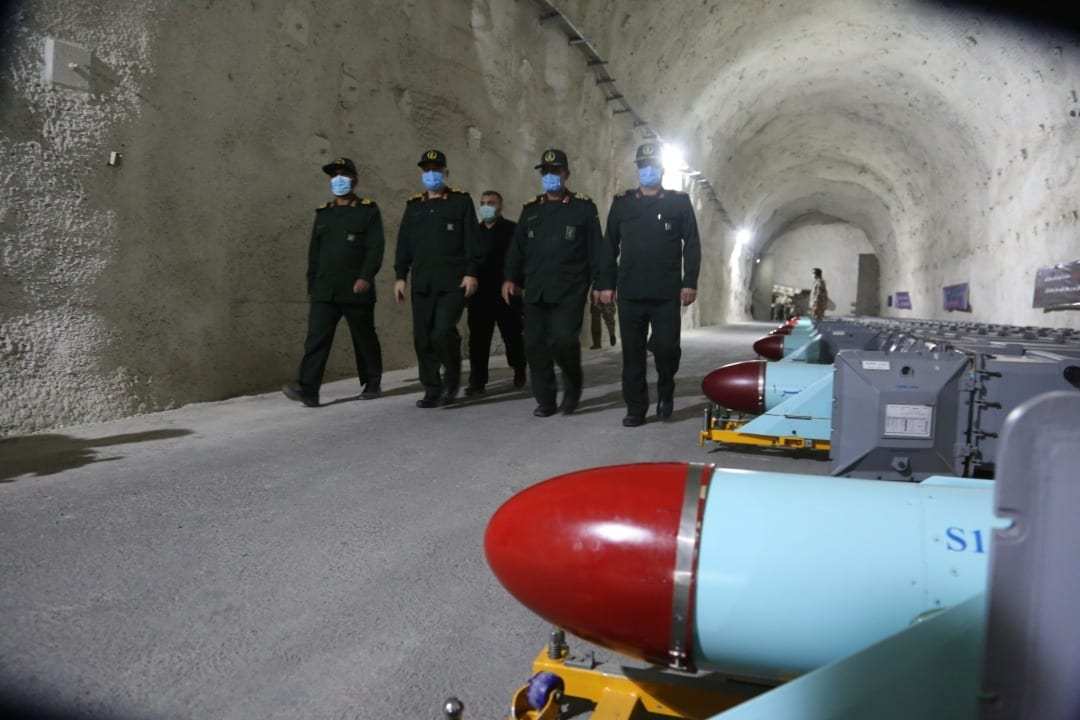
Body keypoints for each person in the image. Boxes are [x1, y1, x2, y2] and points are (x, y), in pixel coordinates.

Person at [503, 148, 615, 417]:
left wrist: (601, 284)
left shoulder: (583, 208)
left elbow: (596, 249)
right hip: (536, 289)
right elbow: (517, 249)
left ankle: (572, 388)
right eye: (545, 171)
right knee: (534, 345)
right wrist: (510, 278)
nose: (550, 175)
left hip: (570, 289)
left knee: (564, 341)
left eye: (555, 171)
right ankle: (545, 399)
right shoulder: (531, 210)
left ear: (566, 174)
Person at [605, 142, 701, 427]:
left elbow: (692, 244)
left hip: (665, 292)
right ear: (638, 169)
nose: (648, 170)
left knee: (667, 349)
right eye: (643, 166)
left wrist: (689, 281)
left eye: (653, 166)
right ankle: (635, 408)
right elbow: (609, 245)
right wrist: (606, 283)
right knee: (632, 354)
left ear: (662, 169)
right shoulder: (622, 203)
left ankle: (666, 389)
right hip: (631, 291)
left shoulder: (678, 203)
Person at [283, 157, 384, 407]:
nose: (338, 179)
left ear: (354, 179)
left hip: (355, 288)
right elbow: (314, 252)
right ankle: (309, 389)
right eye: (334, 175)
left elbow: (375, 248)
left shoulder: (368, 211)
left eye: (343, 174)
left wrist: (365, 277)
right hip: (325, 289)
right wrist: (312, 284)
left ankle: (372, 382)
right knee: (316, 339)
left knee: (363, 337)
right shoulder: (324, 213)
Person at [394, 149, 482, 408]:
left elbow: (472, 240)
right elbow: (404, 244)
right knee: (422, 337)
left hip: (453, 282)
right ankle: (432, 388)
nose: (431, 174)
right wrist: (400, 276)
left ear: (446, 172)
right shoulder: (414, 206)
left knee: (442, 332)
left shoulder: (460, 202)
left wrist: (471, 272)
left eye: (436, 169)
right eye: (426, 170)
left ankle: (451, 381)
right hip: (423, 283)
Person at [465, 190, 527, 396]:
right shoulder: (473, 232)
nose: (486, 207)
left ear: (500, 206)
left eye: (491, 203)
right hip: (479, 294)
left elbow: (521, 259)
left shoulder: (512, 230)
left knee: (512, 335)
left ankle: (519, 368)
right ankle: (477, 381)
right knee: (478, 339)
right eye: (483, 203)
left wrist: (518, 284)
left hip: (506, 292)